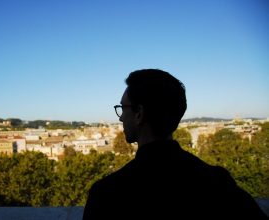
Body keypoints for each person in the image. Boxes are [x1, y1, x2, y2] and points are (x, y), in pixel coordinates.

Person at [83, 69, 268, 219]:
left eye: (123, 108)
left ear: (139, 113)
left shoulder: (107, 194)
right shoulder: (218, 182)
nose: (121, 116)